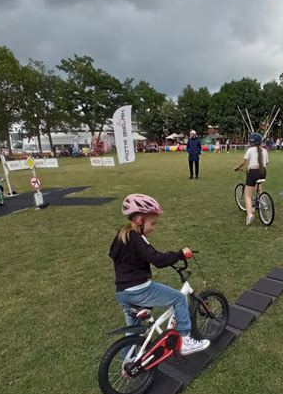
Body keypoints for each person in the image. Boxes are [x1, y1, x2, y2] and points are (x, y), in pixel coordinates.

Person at [109, 193, 210, 356]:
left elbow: (115, 255)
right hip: (138, 289)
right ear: (140, 220)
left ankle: (128, 362)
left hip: (122, 292)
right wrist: (180, 254)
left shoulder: (123, 235)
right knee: (179, 298)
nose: (153, 227)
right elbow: (157, 259)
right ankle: (185, 340)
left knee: (133, 332)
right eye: (152, 223)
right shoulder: (138, 239)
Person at [234, 132, 269, 225]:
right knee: (258, 183)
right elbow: (267, 163)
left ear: (251, 142)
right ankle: (262, 201)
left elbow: (243, 163)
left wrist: (237, 168)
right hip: (263, 172)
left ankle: (249, 215)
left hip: (253, 173)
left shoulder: (250, 150)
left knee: (247, 195)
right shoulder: (264, 151)